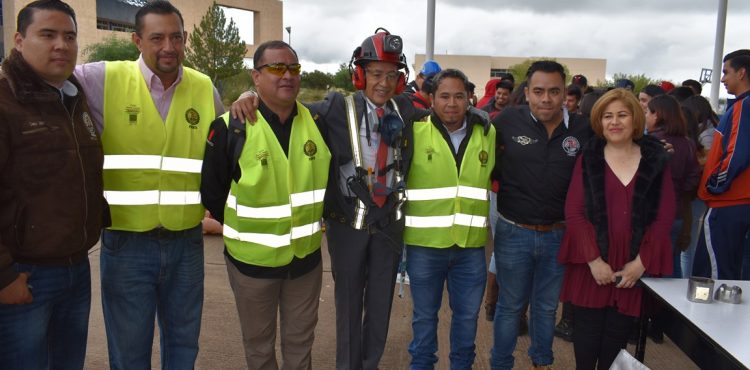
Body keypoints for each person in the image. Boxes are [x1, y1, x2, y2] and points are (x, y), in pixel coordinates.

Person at [73, 1, 224, 368]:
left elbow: (225, 146)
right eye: (156, 38)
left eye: (176, 37)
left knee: (184, 346)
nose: (168, 47)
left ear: (186, 39)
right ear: (137, 40)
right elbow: (44, 74)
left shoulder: (205, 88)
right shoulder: (102, 79)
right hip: (126, 242)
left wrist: (252, 98)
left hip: (186, 240)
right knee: (128, 351)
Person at [201, 40, 328, 370]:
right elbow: (212, 194)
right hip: (251, 265)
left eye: (294, 68)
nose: (287, 75)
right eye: (276, 68)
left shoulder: (319, 122)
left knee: (301, 343)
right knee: (258, 347)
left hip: (305, 261)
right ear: (256, 77)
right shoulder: (231, 127)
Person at [0, 1, 107, 369]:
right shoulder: (4, 103)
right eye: (48, 35)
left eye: (69, 36)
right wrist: (4, 277)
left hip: (76, 269)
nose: (61, 45)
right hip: (25, 277)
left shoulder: (75, 101)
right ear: (19, 40)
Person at [558, 88, 675, 370]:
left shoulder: (656, 160)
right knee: (585, 346)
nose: (614, 122)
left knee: (616, 344)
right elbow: (574, 213)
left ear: (635, 119)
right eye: (608, 116)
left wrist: (641, 263)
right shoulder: (589, 159)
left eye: (622, 115)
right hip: (591, 264)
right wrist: (594, 261)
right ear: (599, 121)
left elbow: (664, 216)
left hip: (631, 266)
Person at [490, 60, 593, 370]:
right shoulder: (506, 121)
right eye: (538, 91)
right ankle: (500, 364)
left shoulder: (584, 129)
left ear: (565, 94)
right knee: (509, 307)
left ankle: (542, 362)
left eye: (553, 91)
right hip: (513, 232)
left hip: (559, 235)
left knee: (547, 309)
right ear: (528, 92)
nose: (546, 99)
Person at [404, 68, 495, 369]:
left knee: (468, 319)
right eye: (444, 96)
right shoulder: (413, 130)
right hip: (424, 247)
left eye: (459, 96)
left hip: (469, 248)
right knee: (425, 318)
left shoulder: (488, 132)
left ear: (470, 98)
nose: (452, 103)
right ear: (431, 98)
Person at [693, 49, 750, 280]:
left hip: (729, 202)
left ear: (742, 72)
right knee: (735, 275)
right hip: (738, 200)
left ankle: (716, 317)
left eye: (726, 72)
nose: (723, 78)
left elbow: (736, 153)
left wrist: (713, 185)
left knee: (714, 276)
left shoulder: (743, 106)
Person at [645, 95, 701, 278]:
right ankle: (673, 307)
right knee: (674, 264)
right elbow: (693, 179)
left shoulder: (651, 142)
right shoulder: (688, 143)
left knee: (652, 269)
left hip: (653, 215)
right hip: (678, 212)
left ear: (657, 115)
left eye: (648, 112)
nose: (645, 117)